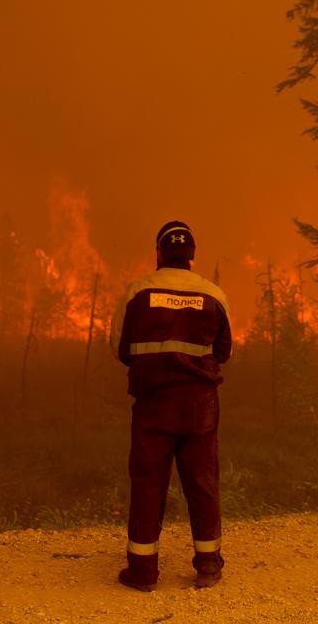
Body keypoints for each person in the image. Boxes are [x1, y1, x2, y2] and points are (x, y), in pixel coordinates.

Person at [109, 220, 233, 591]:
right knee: (203, 483)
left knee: (148, 485)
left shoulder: (138, 292)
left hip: (154, 407)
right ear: (191, 256)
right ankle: (208, 565)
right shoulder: (214, 295)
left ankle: (143, 573)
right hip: (200, 409)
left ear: (159, 253)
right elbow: (224, 352)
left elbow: (120, 348)